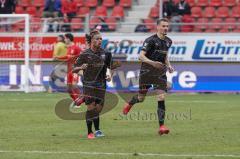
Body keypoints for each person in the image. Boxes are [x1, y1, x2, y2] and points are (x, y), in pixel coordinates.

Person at [122, 18, 174, 135]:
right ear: (158, 27)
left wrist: (169, 65)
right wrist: (152, 63)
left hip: (160, 72)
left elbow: (165, 56)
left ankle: (161, 126)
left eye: (167, 26)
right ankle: (130, 103)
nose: (166, 28)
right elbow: (141, 56)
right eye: (163, 26)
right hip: (147, 71)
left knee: (161, 97)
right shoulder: (150, 41)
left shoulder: (168, 41)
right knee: (141, 98)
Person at [73, 30, 114, 139]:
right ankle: (91, 132)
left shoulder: (106, 54)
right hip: (89, 84)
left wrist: (110, 75)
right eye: (97, 39)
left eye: (101, 39)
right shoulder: (85, 54)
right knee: (91, 108)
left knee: (98, 109)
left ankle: (82, 98)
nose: (99, 41)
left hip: (101, 84)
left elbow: (111, 67)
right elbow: (74, 69)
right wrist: (81, 69)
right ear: (91, 40)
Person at [54, 33, 84, 107]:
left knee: (74, 86)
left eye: (65, 38)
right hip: (69, 70)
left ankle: (81, 101)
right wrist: (58, 58)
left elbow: (82, 55)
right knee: (68, 89)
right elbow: (68, 57)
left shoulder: (76, 47)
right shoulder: (69, 48)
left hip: (75, 70)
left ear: (68, 39)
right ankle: (77, 101)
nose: (64, 40)